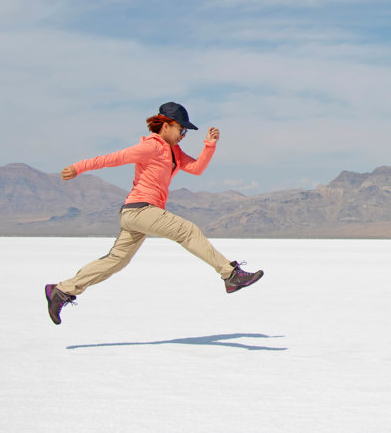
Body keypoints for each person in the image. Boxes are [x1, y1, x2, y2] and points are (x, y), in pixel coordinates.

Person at [45, 102, 263, 325]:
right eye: (182, 129)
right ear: (166, 125)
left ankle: (61, 291)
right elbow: (114, 158)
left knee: (116, 261)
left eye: (186, 131)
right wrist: (78, 167)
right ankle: (230, 274)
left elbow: (197, 169)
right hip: (141, 210)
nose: (184, 135)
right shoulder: (151, 146)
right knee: (187, 230)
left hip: (139, 214)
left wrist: (209, 145)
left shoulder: (174, 151)